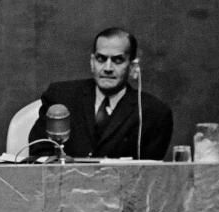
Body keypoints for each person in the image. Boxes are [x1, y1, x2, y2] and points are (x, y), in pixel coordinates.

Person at [29, 27, 173, 160]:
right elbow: (39, 153)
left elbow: (151, 175)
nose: (107, 68)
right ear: (92, 62)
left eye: (118, 60)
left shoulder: (154, 113)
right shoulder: (60, 97)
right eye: (101, 59)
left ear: (132, 66)